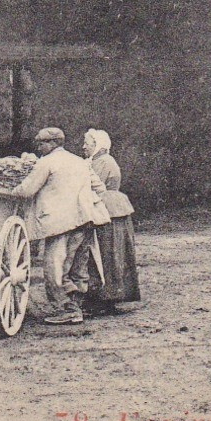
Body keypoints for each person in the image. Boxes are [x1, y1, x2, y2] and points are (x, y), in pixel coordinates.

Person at [8, 127, 109, 324]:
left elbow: (27, 190)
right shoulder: (80, 161)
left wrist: (10, 192)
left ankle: (67, 308)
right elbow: (100, 187)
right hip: (84, 220)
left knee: (55, 266)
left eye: (42, 143)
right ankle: (77, 306)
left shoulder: (46, 162)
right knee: (78, 266)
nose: (39, 147)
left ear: (53, 143)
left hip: (60, 223)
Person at [81, 129, 140, 313]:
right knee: (106, 254)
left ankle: (105, 298)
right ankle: (103, 296)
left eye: (87, 143)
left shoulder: (104, 162)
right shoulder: (96, 161)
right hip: (108, 210)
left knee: (107, 254)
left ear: (97, 145)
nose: (83, 146)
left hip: (108, 211)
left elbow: (91, 185)